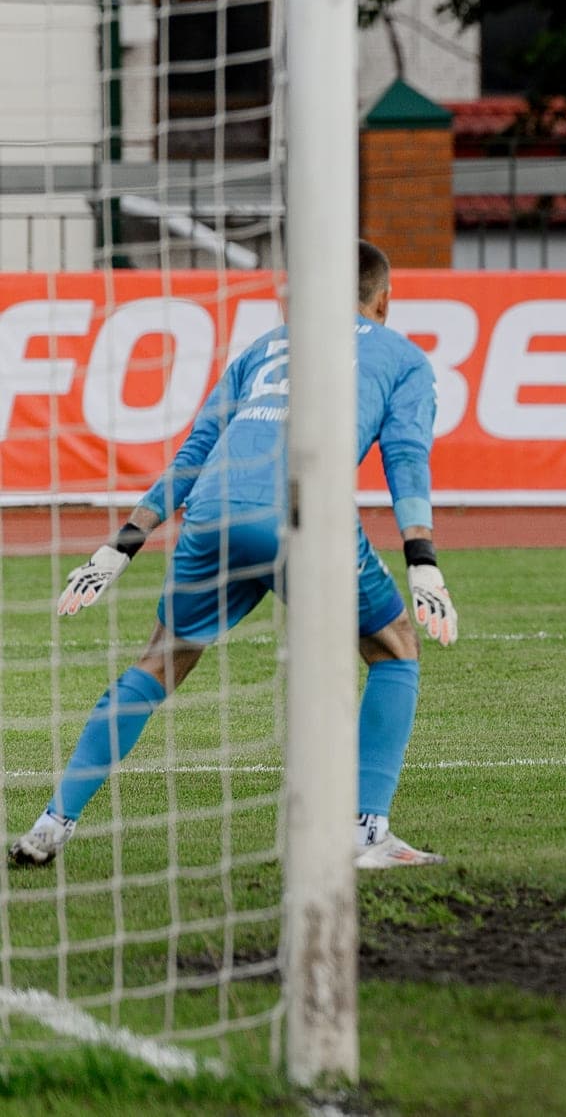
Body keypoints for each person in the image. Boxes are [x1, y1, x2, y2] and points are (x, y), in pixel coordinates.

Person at [11, 241, 460, 871]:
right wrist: (423, 558)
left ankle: (51, 823)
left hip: (214, 509)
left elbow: (194, 450)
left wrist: (120, 548)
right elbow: (406, 459)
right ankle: (365, 833)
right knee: (394, 647)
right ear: (384, 300)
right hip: (304, 511)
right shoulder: (403, 358)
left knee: (161, 661)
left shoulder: (266, 346)